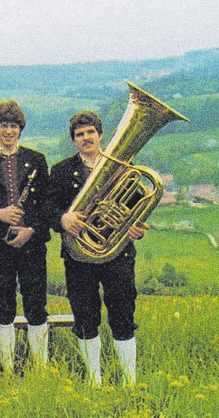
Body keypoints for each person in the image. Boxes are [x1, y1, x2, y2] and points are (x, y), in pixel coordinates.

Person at [49, 111, 147, 386]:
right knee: (84, 317)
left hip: (118, 253)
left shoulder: (123, 166)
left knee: (123, 315)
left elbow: (137, 205)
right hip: (79, 255)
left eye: (90, 132)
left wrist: (134, 227)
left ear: (100, 135)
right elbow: (46, 207)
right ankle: (94, 381)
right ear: (74, 140)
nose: (86, 138)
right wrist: (62, 218)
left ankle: (130, 381)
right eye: (79, 134)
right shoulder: (61, 171)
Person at [0, 101, 51, 371]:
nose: (9, 131)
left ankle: (40, 367)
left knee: (36, 305)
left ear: (20, 129)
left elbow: (46, 205)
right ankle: (7, 369)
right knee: (3, 306)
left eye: (14, 126)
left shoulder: (37, 160)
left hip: (32, 244)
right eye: (4, 125)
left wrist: (32, 230)